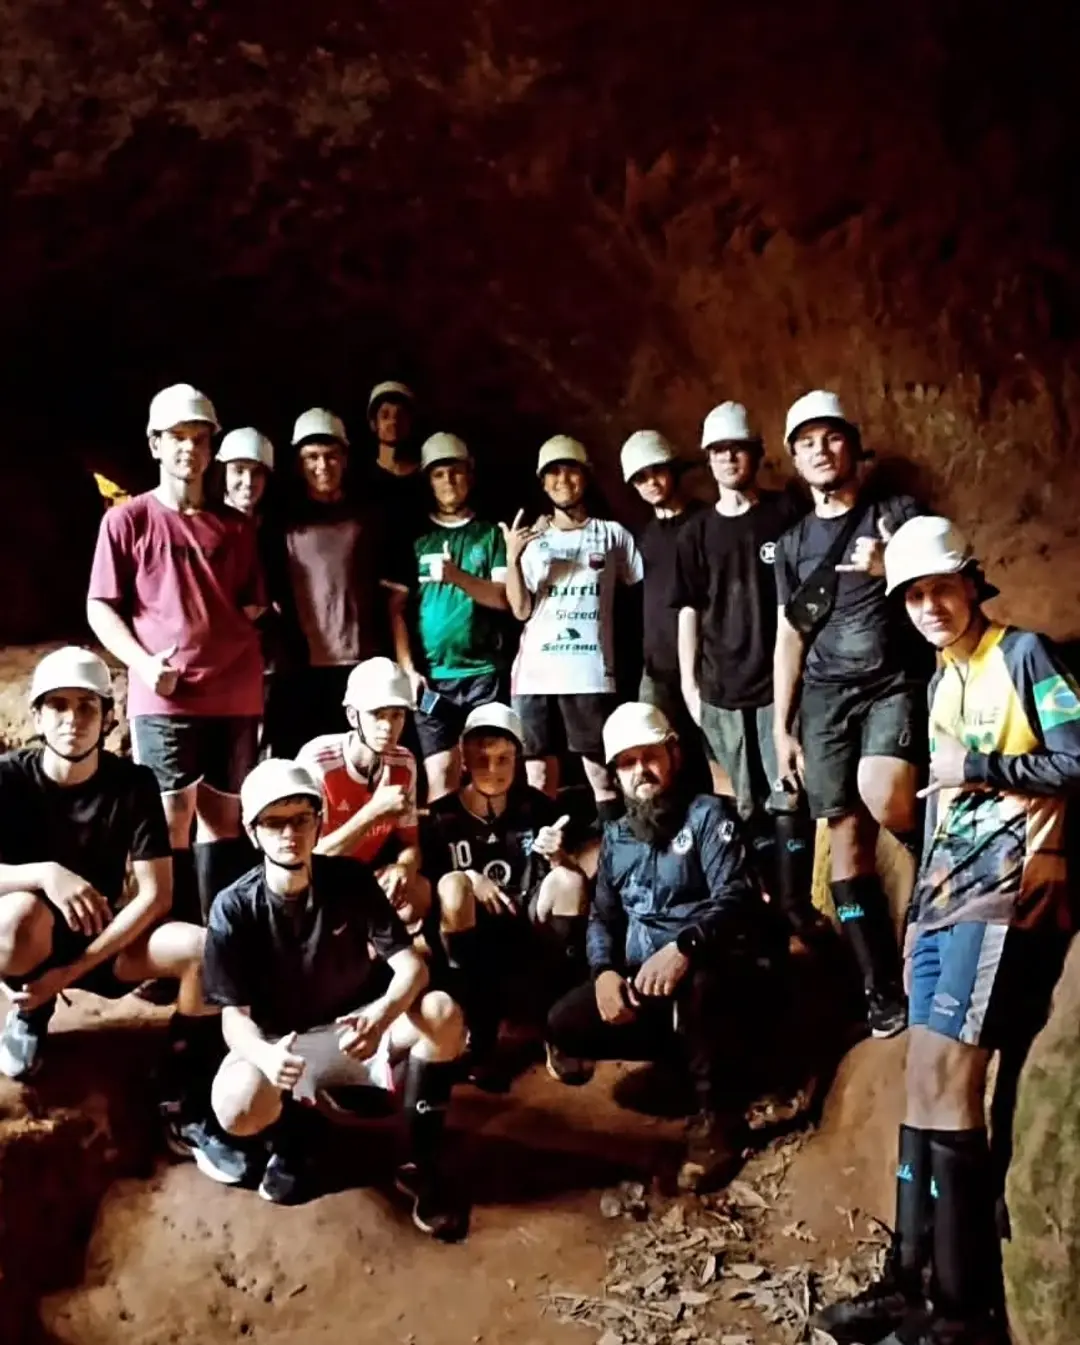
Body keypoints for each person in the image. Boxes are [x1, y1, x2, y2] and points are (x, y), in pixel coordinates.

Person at [816, 517, 1078, 1345]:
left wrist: (983, 768)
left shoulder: (1023, 655)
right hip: (945, 897)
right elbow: (938, 811)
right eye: (914, 596)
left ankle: (964, 1311)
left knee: (954, 1083)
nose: (930, 606)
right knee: (921, 1078)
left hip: (1003, 890)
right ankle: (912, 1282)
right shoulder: (941, 682)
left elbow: (1076, 758)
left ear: (971, 582)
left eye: (940, 589)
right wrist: (917, 914)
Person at [0, 649, 246, 1178]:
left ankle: (181, 1093)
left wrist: (71, 971)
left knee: (202, 949)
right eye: (57, 706)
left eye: (86, 706)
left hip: (100, 937)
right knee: (15, 917)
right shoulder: (9, 779)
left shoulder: (132, 784)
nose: (72, 719)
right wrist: (45, 873)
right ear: (37, 716)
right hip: (35, 939)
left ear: (108, 718)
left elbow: (156, 895)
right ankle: (30, 1010)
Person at [201, 759, 468, 1236]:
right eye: (274, 822)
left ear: (318, 822)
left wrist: (382, 1015)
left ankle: (419, 1157)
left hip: (357, 1026)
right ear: (253, 832)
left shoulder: (349, 879)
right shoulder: (234, 907)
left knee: (441, 1012)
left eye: (301, 818)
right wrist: (264, 1054)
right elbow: (232, 1018)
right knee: (237, 1103)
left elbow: (412, 967)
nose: (290, 833)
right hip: (286, 1045)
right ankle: (295, 1140)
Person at [546, 703, 787, 1192]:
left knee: (703, 985)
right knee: (564, 1022)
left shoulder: (709, 815)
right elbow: (603, 917)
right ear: (615, 774)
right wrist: (604, 972)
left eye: (649, 757)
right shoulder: (617, 837)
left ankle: (719, 1120)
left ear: (673, 755)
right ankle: (684, 1061)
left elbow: (736, 895)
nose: (641, 771)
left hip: (716, 971)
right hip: (650, 983)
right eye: (627, 763)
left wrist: (685, 946)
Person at [773, 390, 928, 1037]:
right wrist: (781, 727)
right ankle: (879, 986)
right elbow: (791, 635)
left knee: (884, 792)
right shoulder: (792, 544)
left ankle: (941, 858)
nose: (820, 450)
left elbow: (942, 587)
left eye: (831, 436)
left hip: (891, 681)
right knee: (843, 836)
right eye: (806, 442)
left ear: (854, 445)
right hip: (825, 697)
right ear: (794, 458)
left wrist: (892, 564)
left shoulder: (897, 513)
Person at [87, 383, 265, 924]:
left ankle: (219, 944)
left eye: (199, 437)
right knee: (169, 816)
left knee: (225, 818)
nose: (189, 447)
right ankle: (173, 943)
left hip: (234, 691)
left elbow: (253, 601)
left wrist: (221, 637)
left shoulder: (236, 527)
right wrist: (143, 663)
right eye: (177, 436)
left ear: (211, 447)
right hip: (165, 693)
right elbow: (100, 605)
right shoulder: (128, 520)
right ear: (155, 444)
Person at [673, 402, 817, 934]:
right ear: (708, 460)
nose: (729, 458)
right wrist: (689, 684)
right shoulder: (696, 531)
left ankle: (794, 906)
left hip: (778, 683)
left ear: (756, 454)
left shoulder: (785, 514)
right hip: (720, 684)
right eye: (718, 451)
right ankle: (754, 908)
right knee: (742, 802)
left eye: (738, 449)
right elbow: (688, 609)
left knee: (789, 794)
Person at [425, 703, 589, 1090]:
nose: (493, 770)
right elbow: (428, 893)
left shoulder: (538, 808)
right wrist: (470, 877)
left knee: (569, 881)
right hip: (471, 939)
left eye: (503, 759)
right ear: (464, 758)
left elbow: (578, 881)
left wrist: (559, 857)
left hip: (527, 926)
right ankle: (480, 1031)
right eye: (482, 759)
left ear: (518, 758)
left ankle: (558, 1028)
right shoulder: (441, 817)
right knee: (453, 885)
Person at [505, 435, 644, 816]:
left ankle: (616, 842)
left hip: (589, 672)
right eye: (553, 473)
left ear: (586, 476)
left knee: (601, 772)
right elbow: (520, 610)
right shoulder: (531, 540)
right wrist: (513, 557)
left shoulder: (613, 535)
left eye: (571, 471)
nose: (563, 480)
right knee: (537, 774)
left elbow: (638, 589)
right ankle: (543, 848)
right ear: (542, 482)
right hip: (535, 675)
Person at [389, 432, 510, 802]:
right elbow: (396, 609)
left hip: (483, 674)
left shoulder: (490, 534)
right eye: (439, 474)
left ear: (469, 475)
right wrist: (408, 670)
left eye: (456, 472)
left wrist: (458, 577)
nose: (449, 481)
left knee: (488, 772)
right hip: (433, 678)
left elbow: (502, 598)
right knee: (441, 776)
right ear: (428, 481)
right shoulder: (414, 538)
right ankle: (446, 843)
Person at [278, 407, 406, 755]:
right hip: (302, 670)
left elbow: (393, 595)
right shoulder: (283, 521)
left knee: (362, 762)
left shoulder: (369, 517)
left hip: (362, 664)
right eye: (312, 457)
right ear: (299, 463)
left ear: (345, 459)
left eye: (331, 456)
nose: (322, 466)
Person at [297, 657, 431, 933]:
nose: (388, 727)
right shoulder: (318, 762)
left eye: (396, 715)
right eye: (377, 714)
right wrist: (374, 812)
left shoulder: (404, 763)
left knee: (418, 893)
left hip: (361, 877)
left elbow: (411, 844)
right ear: (352, 716)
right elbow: (309, 859)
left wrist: (403, 868)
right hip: (315, 883)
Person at [620, 430, 712, 792]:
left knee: (716, 755)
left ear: (673, 470)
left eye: (657, 471)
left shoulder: (706, 522)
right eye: (641, 478)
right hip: (657, 667)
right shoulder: (645, 536)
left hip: (708, 662)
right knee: (656, 756)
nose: (651, 483)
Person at [365, 380, 428, 530]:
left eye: (401, 415)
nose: (393, 421)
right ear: (374, 423)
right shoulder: (362, 480)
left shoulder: (426, 477)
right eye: (385, 415)